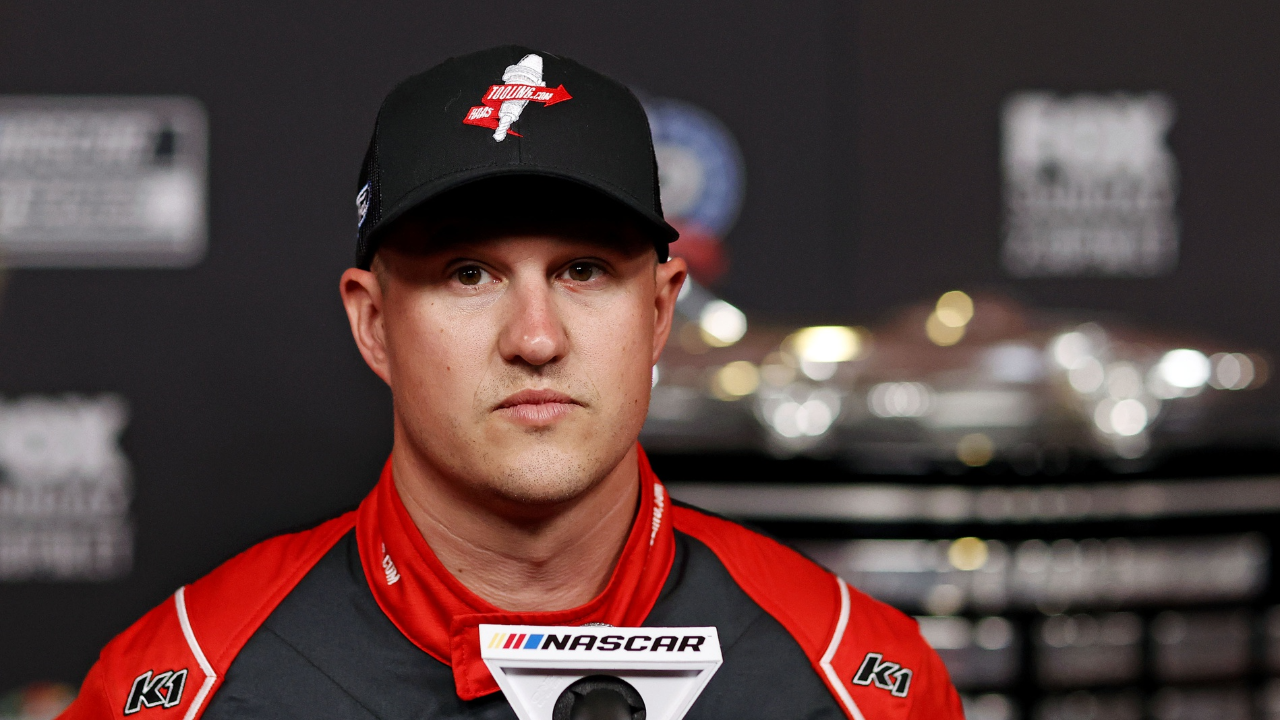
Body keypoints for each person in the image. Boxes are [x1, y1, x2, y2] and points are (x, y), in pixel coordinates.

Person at [59, 46, 962, 720]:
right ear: (373, 324)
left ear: (659, 313)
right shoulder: (180, 687)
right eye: (468, 274)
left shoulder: (860, 683)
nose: (535, 338)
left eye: (583, 271)